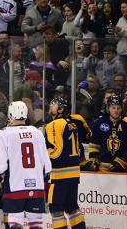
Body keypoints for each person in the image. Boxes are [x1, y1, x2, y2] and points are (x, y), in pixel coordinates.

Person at [0, 101, 52, 229]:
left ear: (11, 114)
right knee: (35, 224)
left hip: (15, 186)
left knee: (15, 223)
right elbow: (47, 164)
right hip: (36, 187)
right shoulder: (37, 132)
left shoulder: (4, 133)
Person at [44, 97, 86, 229]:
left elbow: (56, 151)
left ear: (61, 109)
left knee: (56, 209)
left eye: (54, 105)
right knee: (72, 208)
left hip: (60, 175)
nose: (51, 106)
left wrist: (43, 155)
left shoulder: (54, 124)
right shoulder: (71, 123)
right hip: (74, 174)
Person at [88, 95, 127, 173]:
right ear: (108, 108)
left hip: (124, 169)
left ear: (122, 108)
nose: (116, 111)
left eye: (118, 108)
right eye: (113, 108)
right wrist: (93, 159)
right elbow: (94, 143)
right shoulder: (100, 122)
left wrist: (122, 162)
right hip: (102, 170)